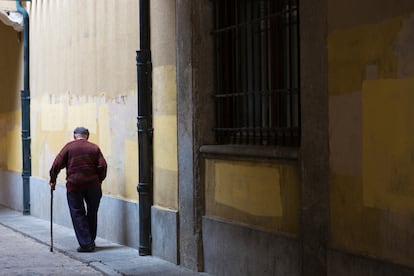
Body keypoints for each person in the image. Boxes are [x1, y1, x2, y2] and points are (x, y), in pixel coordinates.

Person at [49, 126, 107, 253]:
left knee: (77, 213)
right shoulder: (94, 148)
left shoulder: (69, 147)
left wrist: (53, 180)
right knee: (92, 212)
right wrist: (99, 180)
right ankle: (90, 240)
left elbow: (56, 164)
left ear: (74, 136)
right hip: (93, 185)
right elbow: (102, 165)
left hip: (74, 185)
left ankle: (86, 244)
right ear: (87, 136)